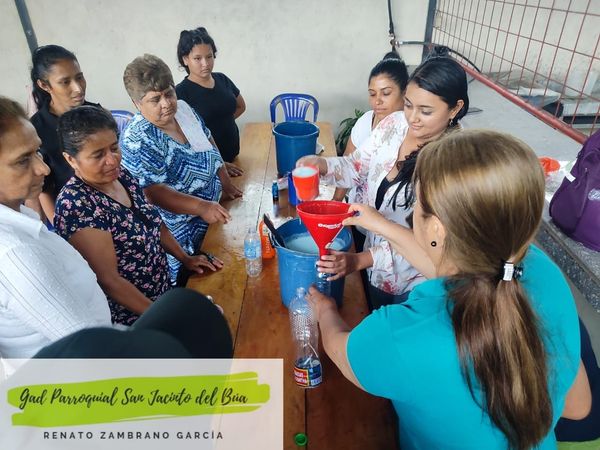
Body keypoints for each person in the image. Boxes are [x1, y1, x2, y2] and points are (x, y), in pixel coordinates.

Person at [308, 129, 591, 449]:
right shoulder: (540, 272)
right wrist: (380, 225)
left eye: (417, 203)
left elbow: (340, 350)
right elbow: (577, 406)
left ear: (436, 228)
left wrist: (325, 311)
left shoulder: (401, 334)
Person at [298, 57, 468, 308]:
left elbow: (431, 246)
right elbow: (357, 166)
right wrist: (322, 165)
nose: (413, 118)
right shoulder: (394, 124)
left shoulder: (454, 164)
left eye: (425, 111)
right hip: (374, 264)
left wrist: (361, 259)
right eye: (408, 104)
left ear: (454, 108)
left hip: (414, 282)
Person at [54, 106, 222, 325]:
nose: (112, 160)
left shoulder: (122, 176)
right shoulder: (77, 205)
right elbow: (109, 281)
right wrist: (163, 316)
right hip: (132, 317)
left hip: (160, 295)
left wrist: (185, 258)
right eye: (98, 155)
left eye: (114, 148)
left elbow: (153, 222)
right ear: (71, 159)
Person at [0, 96, 111, 359]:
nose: (43, 169)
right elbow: (91, 350)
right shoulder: (15, 254)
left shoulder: (20, 221)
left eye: (37, 152)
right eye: (22, 160)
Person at [120, 54, 242, 280]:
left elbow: (207, 140)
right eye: (155, 100)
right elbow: (153, 192)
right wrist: (201, 207)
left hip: (213, 210)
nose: (166, 104)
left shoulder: (183, 109)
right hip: (182, 233)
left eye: (169, 93)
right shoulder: (138, 139)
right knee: (208, 281)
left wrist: (225, 181)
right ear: (137, 104)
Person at [29, 45, 100, 222]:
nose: (78, 88)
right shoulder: (36, 131)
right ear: (44, 85)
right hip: (74, 218)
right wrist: (61, 230)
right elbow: (44, 191)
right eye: (65, 82)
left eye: (79, 77)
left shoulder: (97, 114)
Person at [333, 51, 408, 205]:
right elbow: (348, 167)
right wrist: (335, 202)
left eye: (386, 93)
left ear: (405, 93)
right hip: (357, 212)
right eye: (372, 94)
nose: (377, 101)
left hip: (387, 219)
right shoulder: (365, 122)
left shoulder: (411, 132)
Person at [176, 27, 245, 177]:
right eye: (197, 58)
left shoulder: (222, 79)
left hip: (235, 157)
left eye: (209, 57)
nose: (205, 63)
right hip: (208, 169)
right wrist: (217, 163)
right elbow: (184, 137)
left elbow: (241, 106)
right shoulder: (180, 93)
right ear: (185, 59)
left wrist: (222, 122)